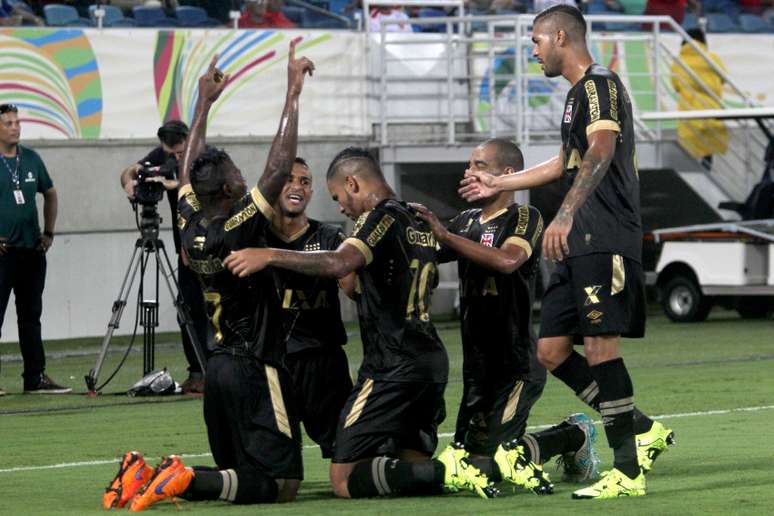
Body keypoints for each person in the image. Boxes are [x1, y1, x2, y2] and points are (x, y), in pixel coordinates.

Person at [458, 5, 674, 499]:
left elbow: (599, 152)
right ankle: (641, 430)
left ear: (560, 36)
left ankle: (627, 471)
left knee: (600, 349)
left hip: (605, 236)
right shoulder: (577, 97)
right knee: (552, 351)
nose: (533, 51)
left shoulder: (600, 85)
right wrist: (500, 180)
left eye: (536, 41)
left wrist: (566, 213)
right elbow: (567, 161)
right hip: (579, 242)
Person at [102, 41, 314, 511]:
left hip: (216, 367)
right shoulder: (238, 222)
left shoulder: (189, 214)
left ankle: (151, 475)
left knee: (240, 477)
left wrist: (204, 104)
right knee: (282, 484)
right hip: (254, 363)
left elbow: (189, 162)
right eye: (238, 173)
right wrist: (292, 94)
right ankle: (179, 477)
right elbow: (280, 166)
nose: (246, 177)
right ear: (230, 187)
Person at [224, 147, 497, 500]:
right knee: (408, 464)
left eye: (339, 196)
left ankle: (456, 469)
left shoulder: (377, 217)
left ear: (352, 183)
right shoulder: (418, 218)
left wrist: (270, 255)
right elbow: (372, 283)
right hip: (430, 360)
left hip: (391, 364)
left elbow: (340, 263)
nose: (340, 207)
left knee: (344, 478)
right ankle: (476, 468)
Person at [411, 138, 600, 495]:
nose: (469, 172)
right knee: (467, 461)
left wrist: (445, 235)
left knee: (494, 463)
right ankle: (547, 441)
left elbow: (507, 261)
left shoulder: (524, 217)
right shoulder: (466, 220)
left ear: (508, 174)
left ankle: (573, 435)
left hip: (516, 365)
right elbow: (422, 253)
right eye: (469, 165)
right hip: (478, 364)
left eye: (479, 165)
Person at [267, 156, 355, 459]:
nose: (297, 187)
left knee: (345, 452)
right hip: (274, 362)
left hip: (323, 361)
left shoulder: (329, 237)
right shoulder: (255, 236)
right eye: (289, 179)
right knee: (275, 458)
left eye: (304, 182)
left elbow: (352, 287)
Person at [120, 120, 209, 394]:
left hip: (211, 245)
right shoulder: (164, 155)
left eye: (181, 153)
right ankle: (197, 372)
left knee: (214, 308)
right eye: (171, 153)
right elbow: (132, 170)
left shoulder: (208, 159)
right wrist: (130, 181)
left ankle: (217, 370)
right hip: (183, 248)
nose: (177, 158)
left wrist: (174, 182)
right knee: (188, 307)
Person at [0, 103, 70, 396]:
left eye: (17, 122)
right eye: (8, 123)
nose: (15, 127)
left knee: (30, 316)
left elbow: (50, 193)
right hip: (3, 253)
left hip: (31, 252)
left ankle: (35, 377)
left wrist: (49, 232)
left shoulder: (30, 159)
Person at [670, 28, 728, 171]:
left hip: (689, 107)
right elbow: (723, 78)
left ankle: (692, 172)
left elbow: (676, 85)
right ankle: (707, 167)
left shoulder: (679, 61)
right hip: (711, 105)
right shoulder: (712, 58)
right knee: (709, 143)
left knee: (690, 142)